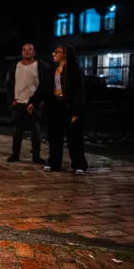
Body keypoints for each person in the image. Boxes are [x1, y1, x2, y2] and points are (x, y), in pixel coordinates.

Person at [44, 45, 88, 174]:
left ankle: (79, 165)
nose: (54, 54)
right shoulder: (52, 70)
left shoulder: (75, 70)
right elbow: (44, 88)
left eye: (57, 52)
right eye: (54, 51)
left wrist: (76, 111)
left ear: (65, 54)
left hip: (69, 106)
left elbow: (80, 92)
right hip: (55, 106)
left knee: (75, 138)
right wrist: (33, 101)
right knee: (54, 138)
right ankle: (54, 163)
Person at [6, 43, 50, 164]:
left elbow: (44, 85)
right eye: (24, 49)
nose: (26, 52)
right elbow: (9, 84)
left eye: (29, 50)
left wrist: (39, 102)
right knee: (17, 131)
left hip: (33, 104)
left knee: (35, 131)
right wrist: (12, 101)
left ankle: (36, 155)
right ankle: (15, 154)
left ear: (34, 52)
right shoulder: (15, 66)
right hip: (18, 102)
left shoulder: (40, 66)